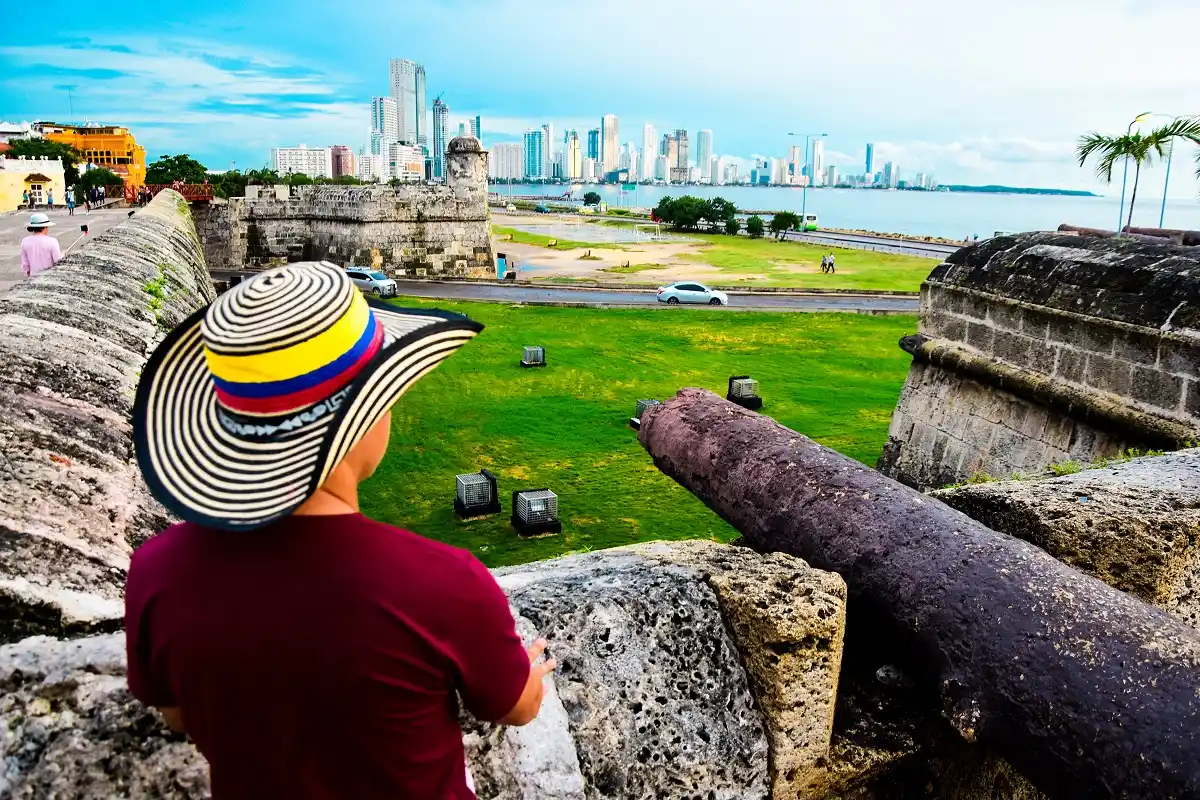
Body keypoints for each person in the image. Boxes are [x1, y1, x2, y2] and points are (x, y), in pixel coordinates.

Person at [124, 263, 554, 799]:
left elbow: (177, 718)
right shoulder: (442, 582)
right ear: (367, 416)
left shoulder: (157, 572)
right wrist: (533, 676)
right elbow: (515, 705)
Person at [20, 212, 62, 279]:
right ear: (45, 227)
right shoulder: (52, 241)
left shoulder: (25, 241)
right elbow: (58, 261)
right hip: (49, 278)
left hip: (33, 278)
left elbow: (25, 265)